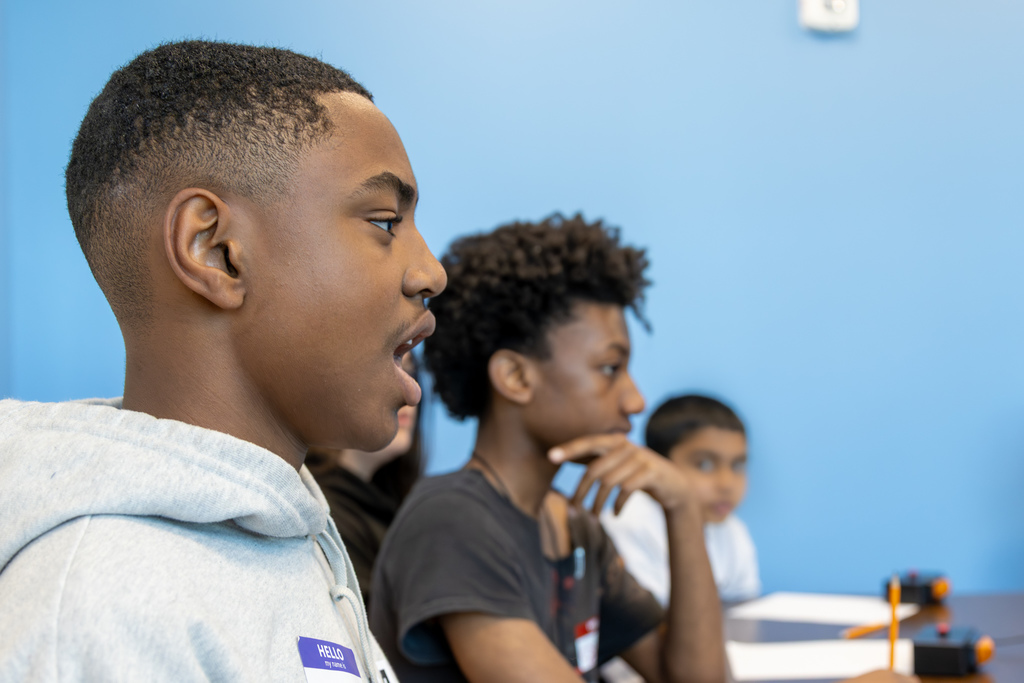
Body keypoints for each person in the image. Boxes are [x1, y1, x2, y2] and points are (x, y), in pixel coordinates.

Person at [0, 40, 446, 682]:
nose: (431, 272)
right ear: (217, 251)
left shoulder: (289, 531)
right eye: (384, 221)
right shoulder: (100, 611)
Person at [371, 214, 727, 683]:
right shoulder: (452, 521)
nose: (635, 401)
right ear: (516, 378)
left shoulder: (574, 527)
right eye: (609, 368)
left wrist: (682, 506)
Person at [602, 395, 760, 606]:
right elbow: (648, 623)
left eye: (737, 466)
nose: (726, 484)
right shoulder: (629, 524)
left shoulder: (732, 529)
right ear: (657, 465)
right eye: (704, 465)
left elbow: (743, 607)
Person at [307, 352, 426, 607]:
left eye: (412, 373)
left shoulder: (399, 508)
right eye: (392, 369)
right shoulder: (319, 511)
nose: (410, 391)